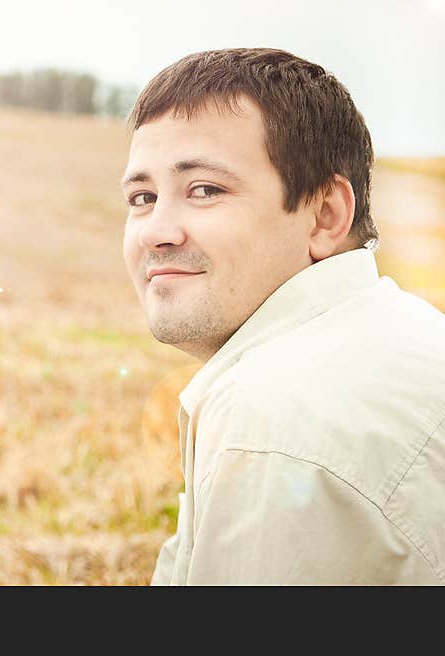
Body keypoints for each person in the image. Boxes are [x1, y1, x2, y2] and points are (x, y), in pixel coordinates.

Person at [121, 47, 445, 585]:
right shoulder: (403, 328)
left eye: (205, 190)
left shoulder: (270, 420)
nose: (157, 230)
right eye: (141, 197)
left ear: (325, 215)